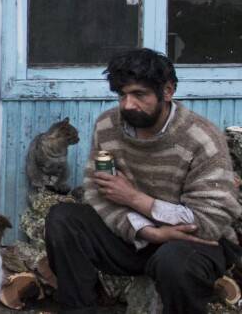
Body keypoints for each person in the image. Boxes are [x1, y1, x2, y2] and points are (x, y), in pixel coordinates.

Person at [45, 48, 241, 314]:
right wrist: (149, 232)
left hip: (193, 245)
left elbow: (210, 222)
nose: (128, 105)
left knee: (175, 262)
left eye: (139, 94)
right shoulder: (107, 126)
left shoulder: (201, 138)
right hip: (135, 236)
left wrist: (135, 198)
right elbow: (96, 193)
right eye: (122, 95)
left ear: (168, 91)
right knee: (63, 218)